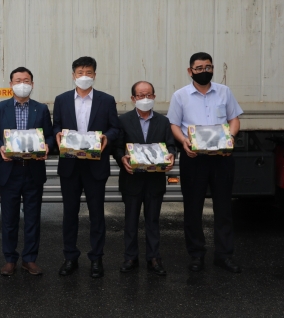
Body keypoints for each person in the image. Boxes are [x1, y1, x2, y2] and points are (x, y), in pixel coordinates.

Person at [167, 52, 243, 273]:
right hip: (194, 159)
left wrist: (231, 138)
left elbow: (234, 119)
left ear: (213, 68)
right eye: (199, 68)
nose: (204, 71)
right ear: (190, 71)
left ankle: (224, 255)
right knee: (193, 209)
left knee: (224, 208)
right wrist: (184, 142)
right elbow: (174, 124)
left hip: (222, 158)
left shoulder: (224, 91)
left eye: (207, 67)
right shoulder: (180, 96)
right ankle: (196, 255)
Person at [53, 56, 121, 278]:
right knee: (69, 214)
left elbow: (114, 128)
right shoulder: (61, 100)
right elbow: (55, 126)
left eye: (88, 72)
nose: (84, 76)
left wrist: (107, 138)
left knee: (97, 214)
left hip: (95, 165)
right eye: (80, 72)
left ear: (95, 75)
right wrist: (57, 135)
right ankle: (70, 257)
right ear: (73, 75)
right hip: (70, 165)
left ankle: (96, 258)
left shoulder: (106, 100)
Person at [0, 67, 53, 276]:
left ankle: (30, 259)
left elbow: (49, 136)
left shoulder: (41, 109)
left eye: (26, 80)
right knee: (9, 219)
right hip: (10, 171)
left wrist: (47, 146)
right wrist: (0, 147)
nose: (22, 84)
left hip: (33, 170)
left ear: (32, 84)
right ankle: (10, 259)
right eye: (18, 80)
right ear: (11, 84)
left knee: (33, 218)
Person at [113, 81, 176, 276]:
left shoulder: (163, 121)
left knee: (153, 221)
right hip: (132, 179)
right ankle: (130, 257)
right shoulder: (123, 121)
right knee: (130, 221)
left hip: (155, 180)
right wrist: (122, 158)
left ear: (154, 96)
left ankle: (154, 258)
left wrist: (172, 156)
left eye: (148, 95)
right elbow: (117, 147)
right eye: (140, 95)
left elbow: (171, 145)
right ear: (133, 98)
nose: (145, 99)